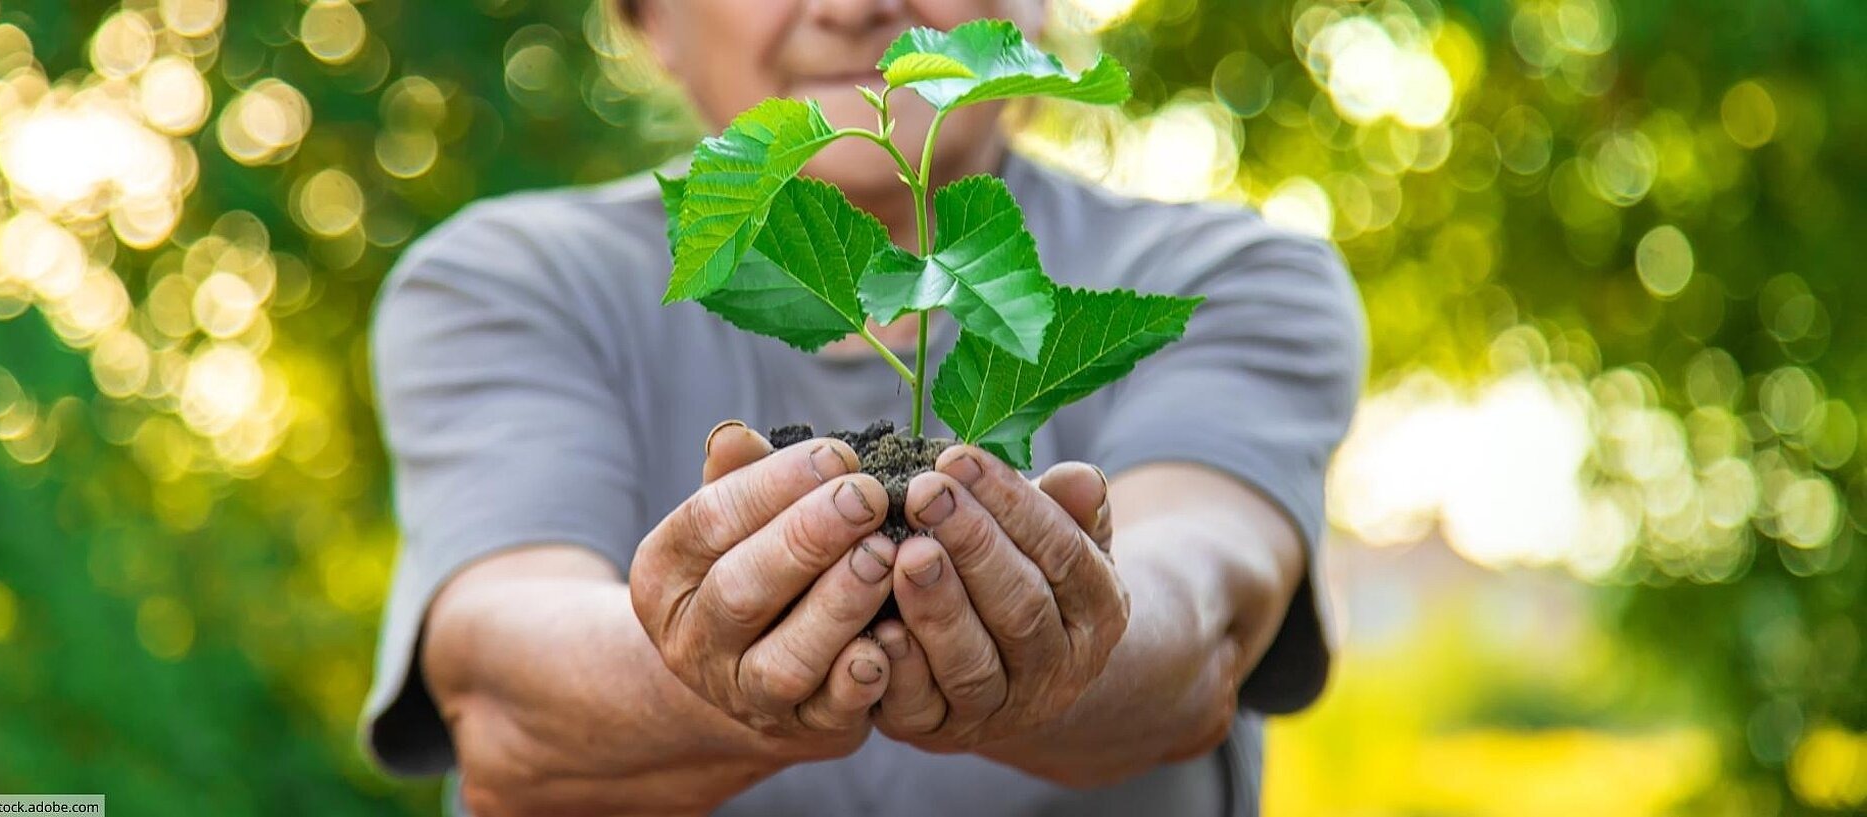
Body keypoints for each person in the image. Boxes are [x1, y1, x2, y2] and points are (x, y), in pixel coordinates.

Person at [359, 0, 1367, 814]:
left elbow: (1200, 611)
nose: (852, 7)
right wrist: (702, 658)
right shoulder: (503, 280)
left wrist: (1078, 637)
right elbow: (497, 682)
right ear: (649, 21)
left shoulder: (1235, 277)